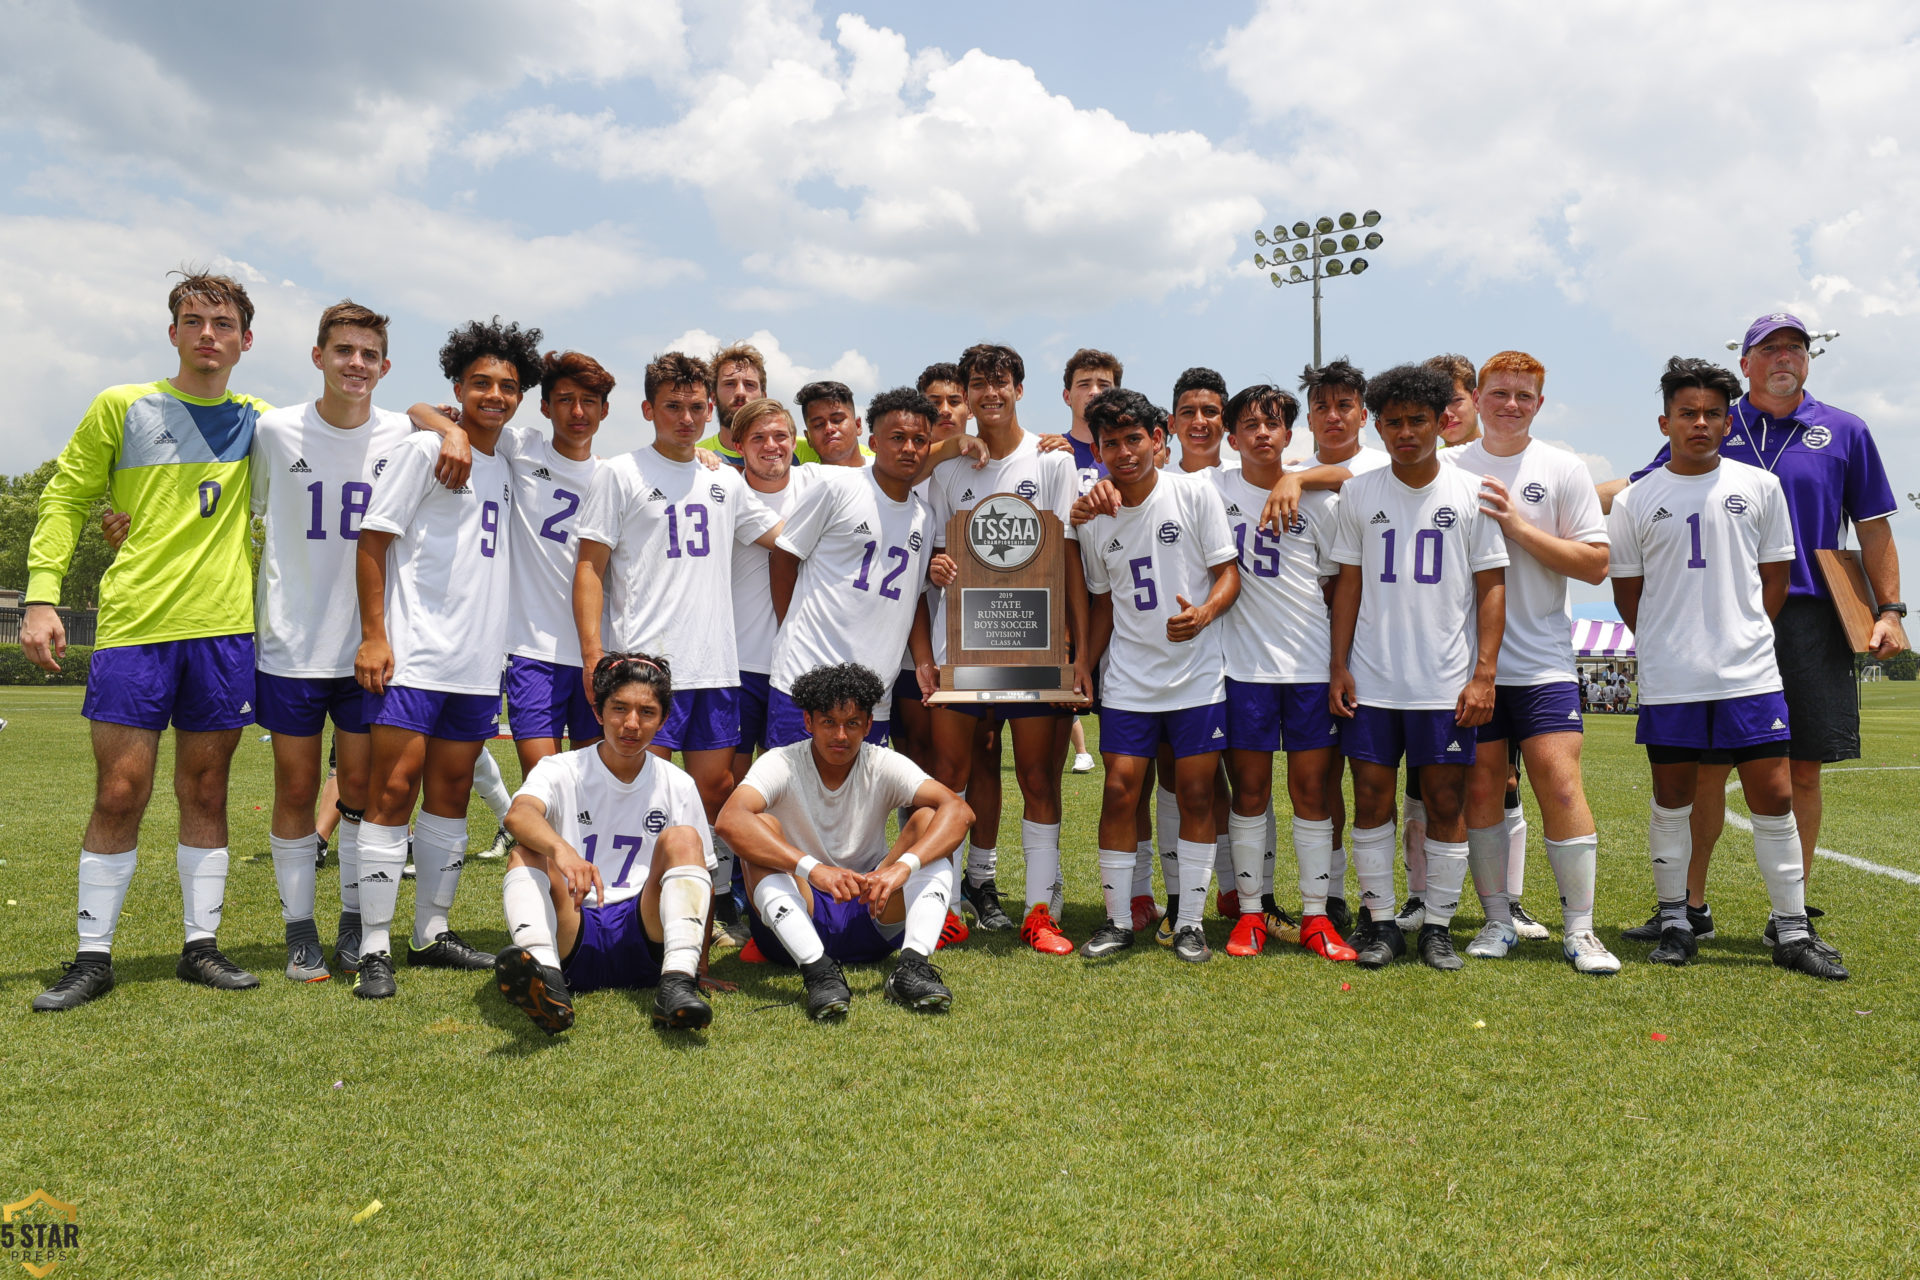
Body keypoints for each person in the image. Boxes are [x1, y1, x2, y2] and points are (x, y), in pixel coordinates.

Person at [1606, 314, 1906, 944]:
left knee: (1803, 769)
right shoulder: (1715, 419)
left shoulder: (1845, 429)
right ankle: (1690, 906)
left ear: (1809, 359)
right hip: (1719, 619)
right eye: (1769, 348)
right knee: (1706, 771)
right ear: (1745, 363)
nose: (1784, 357)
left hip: (1813, 613)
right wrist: (1545, 495)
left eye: (1795, 347)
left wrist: (1890, 610)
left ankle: (1788, 915)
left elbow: (1874, 524)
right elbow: (1641, 487)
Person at [25, 271, 277, 1010]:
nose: (208, 334)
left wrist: (445, 422)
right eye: (193, 321)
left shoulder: (264, 422)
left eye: (222, 324)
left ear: (246, 340)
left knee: (206, 788)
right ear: (172, 333)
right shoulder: (122, 405)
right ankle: (92, 957)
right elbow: (67, 496)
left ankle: (202, 947)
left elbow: (346, 433)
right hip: (136, 629)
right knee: (119, 791)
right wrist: (40, 595)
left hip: (224, 630)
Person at [351, 318, 539, 998]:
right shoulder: (423, 450)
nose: (495, 395)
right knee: (392, 790)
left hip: (477, 662)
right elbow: (373, 542)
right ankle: (373, 945)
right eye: (480, 383)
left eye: (507, 386)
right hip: (414, 654)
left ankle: (431, 931)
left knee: (454, 793)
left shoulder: (509, 459)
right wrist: (375, 636)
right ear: (457, 388)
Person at [572, 351, 783, 929]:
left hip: (714, 665)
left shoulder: (724, 480)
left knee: (714, 789)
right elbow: (589, 566)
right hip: (646, 666)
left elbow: (784, 537)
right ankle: (634, 913)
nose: (685, 419)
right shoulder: (620, 473)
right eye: (672, 407)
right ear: (648, 410)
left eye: (695, 407)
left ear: (709, 409)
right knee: (644, 791)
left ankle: (709, 907)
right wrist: (593, 654)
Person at [249, 301, 415, 983]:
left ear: (385, 366)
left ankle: (352, 923)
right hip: (291, 643)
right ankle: (299, 932)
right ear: (318, 356)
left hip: (369, 648)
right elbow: (240, 508)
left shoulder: (404, 433)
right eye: (343, 350)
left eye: (369, 354)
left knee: (360, 790)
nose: (356, 363)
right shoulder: (273, 431)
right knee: (295, 788)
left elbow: (446, 425)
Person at [1327, 364, 1508, 971]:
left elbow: (1491, 587)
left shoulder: (1473, 490)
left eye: (1418, 420)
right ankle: (1382, 924)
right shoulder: (1359, 492)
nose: (1406, 432)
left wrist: (1484, 675)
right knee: (1371, 800)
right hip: (1373, 679)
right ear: (1378, 426)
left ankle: (1437, 927)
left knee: (1445, 803)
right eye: (1394, 422)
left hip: (1444, 681)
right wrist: (1338, 664)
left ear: (1439, 422)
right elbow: (1348, 585)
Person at [1449, 352, 1619, 973]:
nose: (1511, 404)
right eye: (1499, 393)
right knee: (1483, 787)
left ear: (1540, 404)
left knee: (1560, 782)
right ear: (1477, 397)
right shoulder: (1449, 467)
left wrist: (1518, 528)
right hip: (1467, 665)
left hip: (1543, 659)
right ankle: (1498, 921)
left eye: (1524, 395)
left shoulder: (1562, 468)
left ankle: (1581, 930)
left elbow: (1595, 564)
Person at [921, 343, 1088, 952]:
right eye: (978, 383)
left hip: (1033, 645)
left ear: (1019, 388)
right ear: (966, 394)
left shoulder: (1052, 460)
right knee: (950, 778)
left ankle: (1040, 910)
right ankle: (943, 908)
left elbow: (1067, 559)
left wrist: (1075, 650)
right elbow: (931, 551)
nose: (990, 393)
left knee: (1038, 777)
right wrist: (937, 565)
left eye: (1001, 382)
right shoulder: (948, 471)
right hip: (961, 646)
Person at [1075, 388, 1240, 964]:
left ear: (1157, 440)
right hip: (1129, 677)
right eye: (1111, 443)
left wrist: (1204, 613)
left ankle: (1190, 922)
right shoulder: (1094, 518)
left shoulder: (1193, 493)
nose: (1124, 452)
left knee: (1195, 792)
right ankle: (1118, 920)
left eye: (1134, 439)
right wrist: (1084, 663)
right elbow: (1102, 601)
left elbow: (1228, 573)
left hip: (1196, 675)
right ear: (1098, 450)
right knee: (1120, 790)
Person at [718, 663, 975, 1020]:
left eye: (852, 723)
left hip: (870, 907)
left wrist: (903, 868)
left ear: (868, 725)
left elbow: (959, 811)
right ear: (808, 722)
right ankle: (818, 972)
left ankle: (913, 967)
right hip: (799, 910)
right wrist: (813, 869)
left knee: (930, 821)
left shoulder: (882, 762)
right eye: (829, 722)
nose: (840, 735)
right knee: (760, 826)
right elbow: (729, 820)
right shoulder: (781, 761)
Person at [493, 653, 721, 1034]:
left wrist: (701, 967)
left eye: (647, 712)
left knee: (684, 838)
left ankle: (677, 983)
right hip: (574, 924)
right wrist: (563, 851)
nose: (631, 724)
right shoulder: (561, 768)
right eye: (619, 708)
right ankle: (547, 979)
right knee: (525, 850)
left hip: (646, 933)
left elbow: (703, 878)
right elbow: (518, 815)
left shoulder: (677, 783)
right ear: (598, 712)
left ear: (663, 719)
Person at [1213, 383, 1354, 961]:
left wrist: (1299, 478)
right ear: (1232, 438)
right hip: (1242, 668)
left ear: (1289, 435)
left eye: (1272, 423)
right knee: (1249, 792)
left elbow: (1338, 582)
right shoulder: (1211, 489)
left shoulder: (1319, 499)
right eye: (1250, 425)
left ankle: (1317, 916)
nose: (1262, 433)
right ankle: (1250, 914)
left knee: (1312, 791)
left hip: (1307, 666)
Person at [768, 388, 937, 749]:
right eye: (897, 438)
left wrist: (924, 661)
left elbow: (915, 594)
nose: (909, 448)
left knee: (863, 788)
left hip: (874, 694)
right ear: (873, 442)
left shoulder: (925, 517)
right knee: (792, 784)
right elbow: (783, 559)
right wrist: (791, 628)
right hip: (806, 676)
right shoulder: (835, 488)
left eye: (920, 440)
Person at [694, 340, 769, 468]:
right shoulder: (695, 460)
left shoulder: (797, 449)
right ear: (713, 397)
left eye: (749, 384)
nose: (740, 392)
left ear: (764, 398)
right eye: (729, 384)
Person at [794, 381, 873, 467]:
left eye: (837, 420)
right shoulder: (801, 475)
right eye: (818, 424)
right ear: (808, 438)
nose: (829, 428)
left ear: (858, 426)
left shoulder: (883, 470)